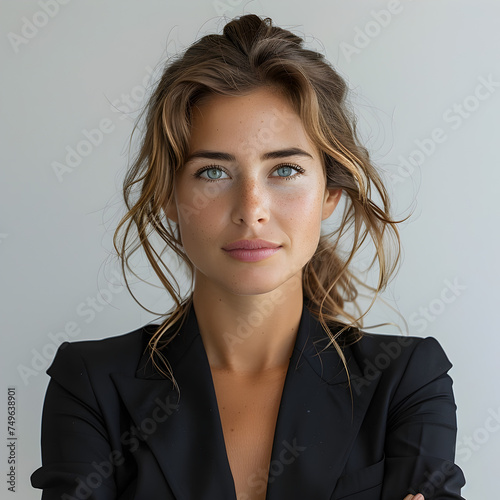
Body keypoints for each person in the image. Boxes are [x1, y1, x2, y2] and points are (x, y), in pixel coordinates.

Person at [31, 14, 466, 500]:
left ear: (331, 191)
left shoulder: (406, 381)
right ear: (167, 196)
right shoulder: (91, 384)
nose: (251, 211)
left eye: (284, 169)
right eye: (213, 173)